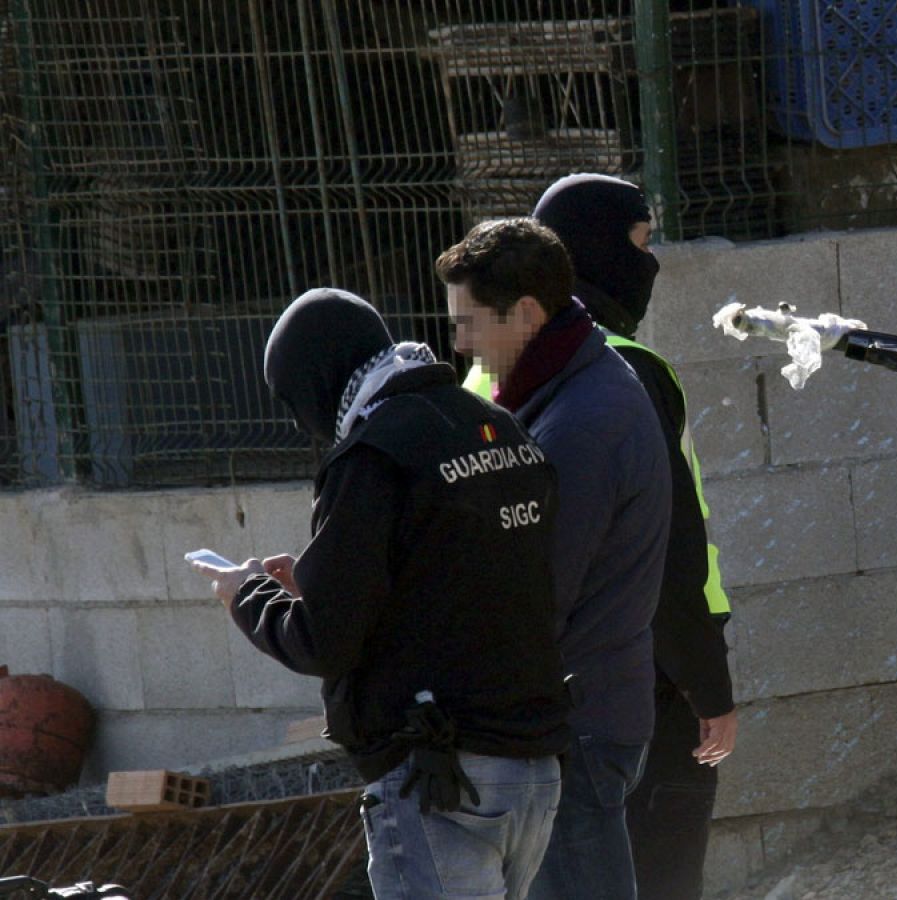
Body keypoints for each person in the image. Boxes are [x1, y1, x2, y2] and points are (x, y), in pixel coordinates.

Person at [194, 287, 569, 899]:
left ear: (316, 380)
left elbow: (323, 640)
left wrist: (247, 595)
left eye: (294, 399)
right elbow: (461, 580)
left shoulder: (373, 454)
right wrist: (326, 581)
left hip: (439, 778)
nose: (299, 420)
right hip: (532, 766)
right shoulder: (498, 431)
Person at [435, 218, 671, 900]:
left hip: (578, 730)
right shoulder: (568, 390)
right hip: (583, 714)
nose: (462, 344)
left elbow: (533, 591)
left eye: (471, 323)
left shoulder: (581, 424)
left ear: (528, 314)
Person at [532, 173, 738, 900]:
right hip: (647, 690)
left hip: (541, 694)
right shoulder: (626, 369)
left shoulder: (498, 368)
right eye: (641, 244)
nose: (650, 264)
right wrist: (708, 684)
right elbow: (667, 549)